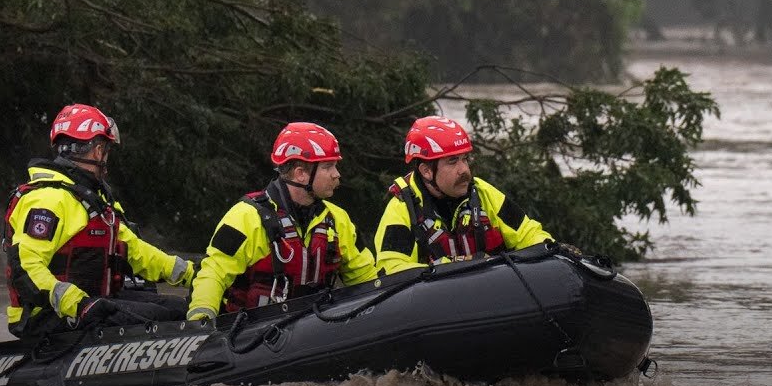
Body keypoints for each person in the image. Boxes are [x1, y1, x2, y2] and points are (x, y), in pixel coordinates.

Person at [3, 104, 195, 337]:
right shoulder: (48, 199)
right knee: (169, 317)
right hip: (50, 315)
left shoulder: (94, 200)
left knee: (180, 308)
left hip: (92, 304)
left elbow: (135, 251)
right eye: (106, 150)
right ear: (97, 150)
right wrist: (78, 304)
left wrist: (192, 274)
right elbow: (25, 266)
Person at [185, 122, 377, 322]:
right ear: (300, 174)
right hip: (249, 334)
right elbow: (213, 272)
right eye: (328, 166)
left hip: (316, 330)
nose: (337, 174)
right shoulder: (246, 216)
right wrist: (201, 317)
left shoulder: (338, 220)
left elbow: (367, 278)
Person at [374, 116, 553, 275]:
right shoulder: (402, 209)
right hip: (435, 305)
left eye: (465, 159)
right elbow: (392, 269)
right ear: (427, 171)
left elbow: (529, 234)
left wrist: (550, 249)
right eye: (452, 161)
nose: (464, 170)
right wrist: (451, 267)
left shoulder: (483, 193)